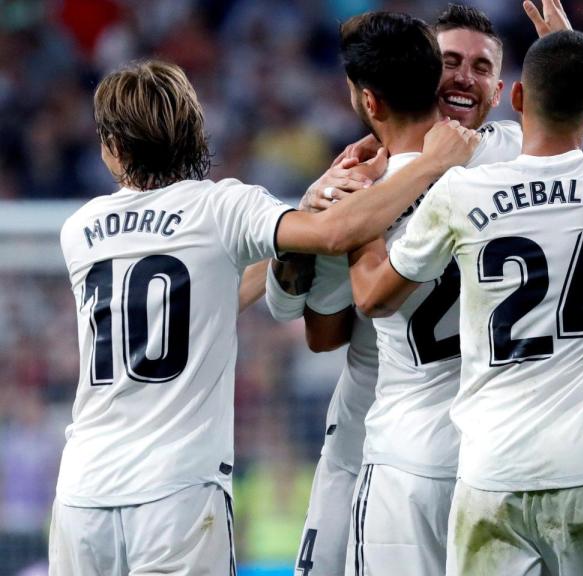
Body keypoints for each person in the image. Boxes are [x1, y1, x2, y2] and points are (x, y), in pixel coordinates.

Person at [50, 59, 479, 576]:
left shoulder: (80, 230)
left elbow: (199, 298)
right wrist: (430, 167)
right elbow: (335, 236)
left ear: (112, 147)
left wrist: (305, 204)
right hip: (176, 494)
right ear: (192, 131)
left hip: (81, 494)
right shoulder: (222, 209)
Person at [354, 7, 583, 576]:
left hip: (492, 469)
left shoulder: (461, 190)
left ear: (513, 97)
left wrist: (361, 203)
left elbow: (371, 297)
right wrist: (568, 47)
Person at [263, 6, 517, 575]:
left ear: (500, 90)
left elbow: (316, 328)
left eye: (480, 68)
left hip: (406, 451)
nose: (462, 79)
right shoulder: (515, 161)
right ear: (426, 75)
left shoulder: (350, 200)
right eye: (450, 63)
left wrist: (324, 216)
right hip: (413, 443)